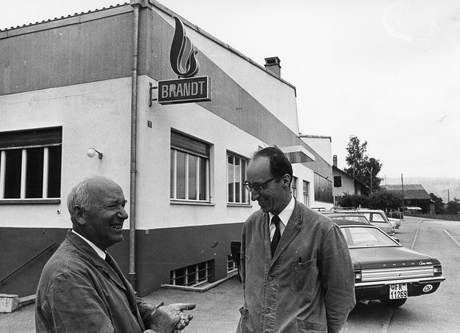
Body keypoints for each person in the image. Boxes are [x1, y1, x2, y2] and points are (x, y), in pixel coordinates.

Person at [35, 176, 195, 333]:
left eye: (123, 205)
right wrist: (160, 329)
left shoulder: (95, 254)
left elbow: (125, 303)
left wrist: (155, 315)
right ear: (80, 215)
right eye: (112, 206)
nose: (124, 214)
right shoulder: (67, 275)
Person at [237, 147, 355, 333]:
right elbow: (248, 283)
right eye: (250, 186)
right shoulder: (250, 226)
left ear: (285, 181)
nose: (253, 196)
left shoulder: (324, 231)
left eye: (260, 187)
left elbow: (341, 297)